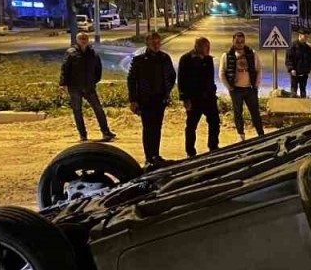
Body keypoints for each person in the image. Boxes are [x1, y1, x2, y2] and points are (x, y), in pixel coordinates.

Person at [127, 31, 176, 168]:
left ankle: (156, 155)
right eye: (153, 42)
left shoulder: (165, 58)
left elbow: (171, 76)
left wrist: (167, 91)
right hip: (145, 100)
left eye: (158, 42)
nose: (156, 45)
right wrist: (133, 100)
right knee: (148, 129)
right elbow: (131, 80)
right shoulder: (139, 60)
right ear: (147, 43)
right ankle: (149, 157)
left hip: (160, 99)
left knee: (157, 128)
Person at [58, 32, 115, 143]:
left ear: (88, 40)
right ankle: (83, 135)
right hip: (74, 87)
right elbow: (65, 69)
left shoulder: (92, 53)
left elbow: (98, 68)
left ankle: (106, 132)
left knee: (98, 109)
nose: (83, 40)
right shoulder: (71, 53)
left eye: (85, 38)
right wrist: (62, 84)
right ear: (77, 40)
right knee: (77, 111)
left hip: (89, 87)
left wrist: (94, 80)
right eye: (81, 38)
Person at [177, 37, 219, 158]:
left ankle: (213, 146)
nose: (209, 49)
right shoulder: (186, 59)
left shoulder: (208, 60)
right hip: (194, 99)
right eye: (206, 47)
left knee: (215, 122)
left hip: (209, 98)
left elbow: (210, 78)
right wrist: (185, 98)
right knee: (191, 126)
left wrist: (213, 92)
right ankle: (190, 151)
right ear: (198, 47)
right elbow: (181, 80)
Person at [221, 31, 265, 139]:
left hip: (250, 89)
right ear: (233, 41)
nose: (240, 44)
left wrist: (256, 85)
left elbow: (258, 69)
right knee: (238, 113)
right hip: (236, 90)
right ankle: (241, 135)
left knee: (255, 113)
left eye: (242, 42)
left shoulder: (252, 54)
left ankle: (261, 135)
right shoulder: (227, 55)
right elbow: (222, 73)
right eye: (237, 41)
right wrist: (229, 87)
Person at [285, 30, 311, 98]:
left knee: (303, 90)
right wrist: (291, 69)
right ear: (300, 35)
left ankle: (304, 106)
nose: (306, 38)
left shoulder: (308, 48)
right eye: (305, 36)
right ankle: (293, 105)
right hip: (295, 73)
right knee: (294, 90)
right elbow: (288, 59)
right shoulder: (292, 46)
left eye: (307, 37)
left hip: (304, 73)